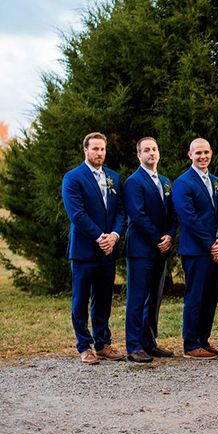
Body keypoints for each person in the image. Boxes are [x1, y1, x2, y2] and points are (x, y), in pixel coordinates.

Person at [61, 132, 127, 364]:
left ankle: (103, 344)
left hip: (108, 249)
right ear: (85, 150)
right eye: (95, 149)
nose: (100, 153)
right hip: (84, 249)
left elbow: (120, 210)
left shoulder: (114, 177)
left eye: (102, 149)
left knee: (104, 298)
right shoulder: (73, 177)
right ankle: (84, 346)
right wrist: (100, 237)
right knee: (81, 299)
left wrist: (115, 236)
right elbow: (77, 213)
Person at [122, 137, 178, 363]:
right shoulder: (133, 182)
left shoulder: (165, 181)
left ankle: (149, 341)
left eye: (154, 149)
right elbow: (138, 215)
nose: (151, 153)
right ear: (139, 155)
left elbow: (173, 214)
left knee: (154, 297)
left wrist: (170, 235)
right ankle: (134, 345)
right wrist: (158, 238)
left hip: (160, 248)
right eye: (146, 150)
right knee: (137, 297)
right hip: (141, 248)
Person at [172, 138, 218, 359]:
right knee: (195, 296)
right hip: (195, 249)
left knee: (211, 296)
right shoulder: (183, 182)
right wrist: (210, 243)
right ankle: (191, 344)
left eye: (206, 152)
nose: (202, 156)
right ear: (190, 155)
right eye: (198, 153)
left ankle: (203, 340)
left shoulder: (215, 181)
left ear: (211, 153)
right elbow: (189, 217)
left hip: (216, 247)